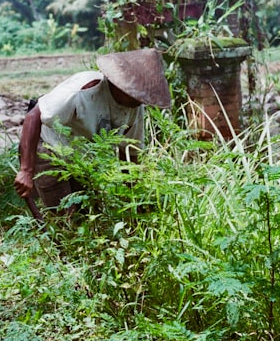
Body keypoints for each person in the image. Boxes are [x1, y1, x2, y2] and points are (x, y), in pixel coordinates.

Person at [13, 48, 172, 219]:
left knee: (87, 216)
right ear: (120, 85)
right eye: (135, 94)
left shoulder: (134, 109)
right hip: (49, 147)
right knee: (64, 217)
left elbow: (129, 154)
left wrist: (133, 199)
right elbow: (34, 115)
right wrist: (26, 171)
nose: (139, 100)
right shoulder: (83, 90)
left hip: (82, 159)